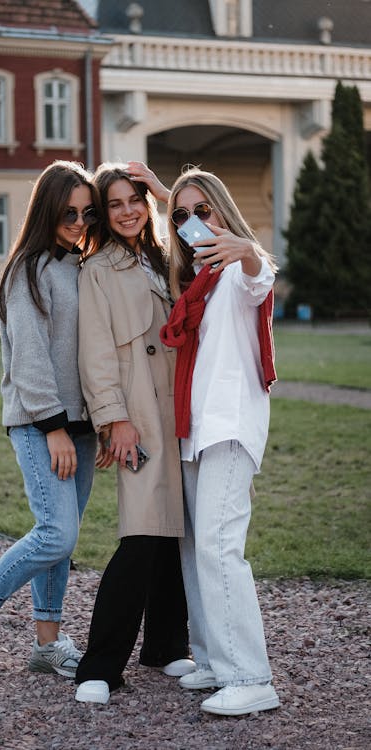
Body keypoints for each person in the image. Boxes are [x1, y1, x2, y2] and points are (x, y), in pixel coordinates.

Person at [0, 160, 103, 680]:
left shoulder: (80, 267)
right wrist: (54, 427)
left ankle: (47, 643)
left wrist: (97, 423)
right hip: (41, 424)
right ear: (46, 210)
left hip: (79, 425)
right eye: (68, 212)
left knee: (64, 538)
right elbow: (32, 359)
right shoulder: (27, 270)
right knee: (56, 534)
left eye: (86, 213)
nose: (78, 221)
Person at [160, 167, 280, 716]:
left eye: (203, 211)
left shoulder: (236, 271)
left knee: (218, 545)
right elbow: (188, 219)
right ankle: (212, 659)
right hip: (196, 427)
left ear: (226, 214)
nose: (191, 223)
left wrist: (245, 248)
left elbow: (260, 275)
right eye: (181, 217)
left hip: (229, 426)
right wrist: (168, 198)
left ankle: (251, 677)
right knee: (195, 547)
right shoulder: (198, 281)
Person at [74, 162, 195, 705]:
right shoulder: (96, 269)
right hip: (137, 416)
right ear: (105, 211)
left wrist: (171, 196)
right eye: (116, 203)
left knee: (175, 529)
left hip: (184, 412)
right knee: (143, 532)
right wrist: (113, 419)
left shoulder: (165, 257)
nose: (128, 211)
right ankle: (99, 666)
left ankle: (167, 646)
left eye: (136, 200)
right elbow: (96, 351)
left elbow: (220, 243)